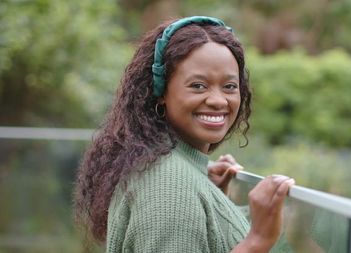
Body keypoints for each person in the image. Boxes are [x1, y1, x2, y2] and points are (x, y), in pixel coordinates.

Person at [74, 16, 295, 252]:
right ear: (160, 92)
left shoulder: (169, 169)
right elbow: (172, 204)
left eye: (229, 86)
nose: (218, 100)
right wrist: (257, 241)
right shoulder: (170, 186)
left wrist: (209, 194)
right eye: (198, 85)